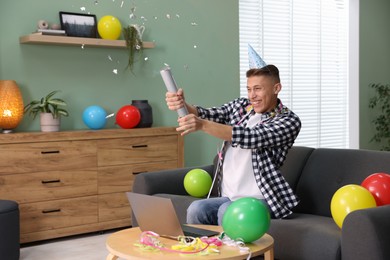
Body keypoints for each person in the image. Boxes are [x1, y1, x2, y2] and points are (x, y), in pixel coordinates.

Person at [165, 64, 301, 224]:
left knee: (227, 211)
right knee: (196, 209)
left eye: (258, 89)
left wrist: (202, 125)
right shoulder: (242, 106)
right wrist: (182, 105)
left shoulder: (288, 120)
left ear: (276, 88)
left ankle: (231, 249)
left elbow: (251, 137)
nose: (252, 95)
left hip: (262, 199)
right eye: (249, 89)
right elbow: (206, 114)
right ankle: (198, 248)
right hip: (229, 197)